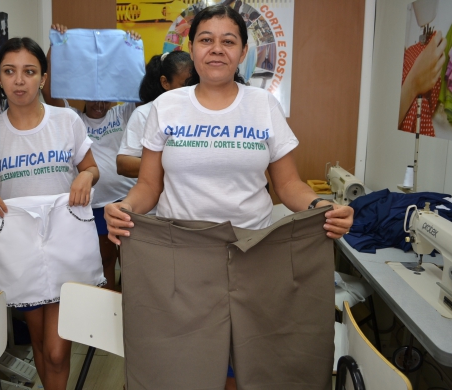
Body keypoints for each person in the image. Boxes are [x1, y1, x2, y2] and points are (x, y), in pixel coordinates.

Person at [104, 5, 354, 390]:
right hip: (180, 255)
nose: (216, 49)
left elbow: (288, 186)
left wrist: (320, 206)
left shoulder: (263, 106)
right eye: (206, 40)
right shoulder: (166, 107)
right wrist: (124, 208)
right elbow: (149, 187)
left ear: (242, 51)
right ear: (192, 48)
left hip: (254, 254)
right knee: (185, 362)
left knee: (253, 360)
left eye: (228, 41)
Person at [0, 37, 99, 390]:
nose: (19, 80)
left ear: (42, 77)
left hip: (65, 241)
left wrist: (85, 175)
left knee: (56, 350)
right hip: (20, 247)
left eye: (29, 72)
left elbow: (91, 168)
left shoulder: (66, 120)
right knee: (38, 341)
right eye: (10, 72)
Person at [43, 24, 141, 290]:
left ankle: (132, 314)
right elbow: (49, 94)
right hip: (93, 206)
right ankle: (109, 316)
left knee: (134, 265)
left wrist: (131, 50)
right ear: (84, 95)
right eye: (93, 98)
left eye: (105, 98)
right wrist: (57, 47)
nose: (99, 103)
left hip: (127, 201)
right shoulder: (73, 119)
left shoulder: (122, 113)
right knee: (105, 262)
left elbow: (141, 90)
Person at [117, 50, 193, 178]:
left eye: (195, 83)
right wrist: (170, 166)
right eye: (185, 85)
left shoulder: (201, 110)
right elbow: (123, 164)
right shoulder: (145, 113)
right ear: (165, 83)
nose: (190, 89)